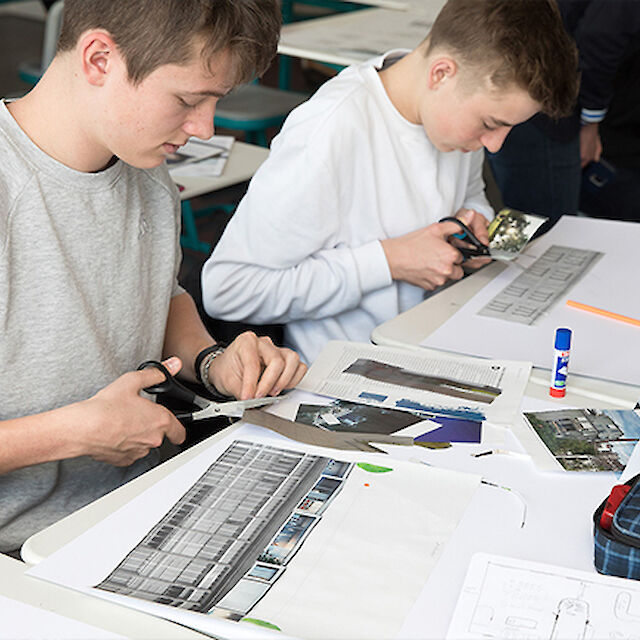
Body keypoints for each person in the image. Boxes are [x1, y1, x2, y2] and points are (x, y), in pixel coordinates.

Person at [0, 0, 307, 556]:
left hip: (145, 504)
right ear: (98, 59)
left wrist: (214, 362)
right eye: (188, 100)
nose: (204, 127)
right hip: (25, 551)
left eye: (217, 101)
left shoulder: (144, 169)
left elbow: (155, 292)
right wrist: (74, 433)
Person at [201, 0, 578, 364]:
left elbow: (472, 195)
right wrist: (388, 261)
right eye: (491, 124)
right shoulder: (329, 132)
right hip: (347, 377)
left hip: (437, 343)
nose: (495, 145)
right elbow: (229, 290)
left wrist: (473, 220)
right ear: (442, 74)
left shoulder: (448, 114)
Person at [487, 0, 640, 227]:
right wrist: (590, 122)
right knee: (542, 226)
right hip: (540, 108)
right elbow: (599, 38)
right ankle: (500, 257)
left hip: (532, 97)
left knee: (530, 221)